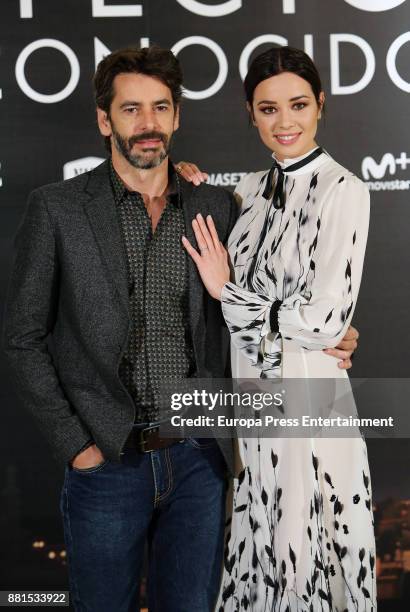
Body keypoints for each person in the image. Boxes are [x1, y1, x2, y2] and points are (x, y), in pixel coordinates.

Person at [3, 44, 357, 611]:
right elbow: (22, 340)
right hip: (106, 465)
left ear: (177, 116)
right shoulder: (57, 209)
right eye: (131, 110)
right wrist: (78, 448)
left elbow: (264, 299)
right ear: (103, 119)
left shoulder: (218, 205)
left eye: (161, 108)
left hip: (199, 461)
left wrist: (326, 335)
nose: (148, 125)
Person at [181, 46, 376, 611]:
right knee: (261, 544)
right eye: (268, 109)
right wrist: (189, 181)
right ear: (251, 113)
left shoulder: (346, 189)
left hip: (309, 397)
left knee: (308, 544)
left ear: (321, 106)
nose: (284, 122)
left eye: (297, 105)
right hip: (252, 399)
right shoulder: (246, 191)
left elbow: (324, 319)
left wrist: (228, 293)